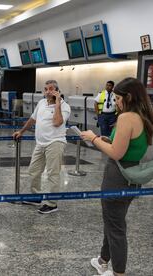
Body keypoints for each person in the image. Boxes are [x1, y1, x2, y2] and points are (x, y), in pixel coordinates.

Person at [81, 77, 153, 276]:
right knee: (112, 220)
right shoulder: (144, 116)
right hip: (131, 175)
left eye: (119, 98)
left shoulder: (127, 117)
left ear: (128, 97)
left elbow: (116, 153)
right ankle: (103, 260)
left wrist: (94, 138)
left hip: (117, 177)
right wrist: (106, 139)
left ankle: (118, 273)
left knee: (115, 227)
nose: (116, 102)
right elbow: (127, 146)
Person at [12, 80, 71, 214]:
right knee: (34, 170)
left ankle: (52, 204)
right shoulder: (41, 103)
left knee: (52, 173)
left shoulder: (64, 106)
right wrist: (21, 131)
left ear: (57, 91)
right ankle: (35, 197)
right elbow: (33, 119)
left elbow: (57, 122)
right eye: (46, 89)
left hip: (55, 143)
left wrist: (57, 103)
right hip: (40, 143)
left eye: (51, 89)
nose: (48, 91)